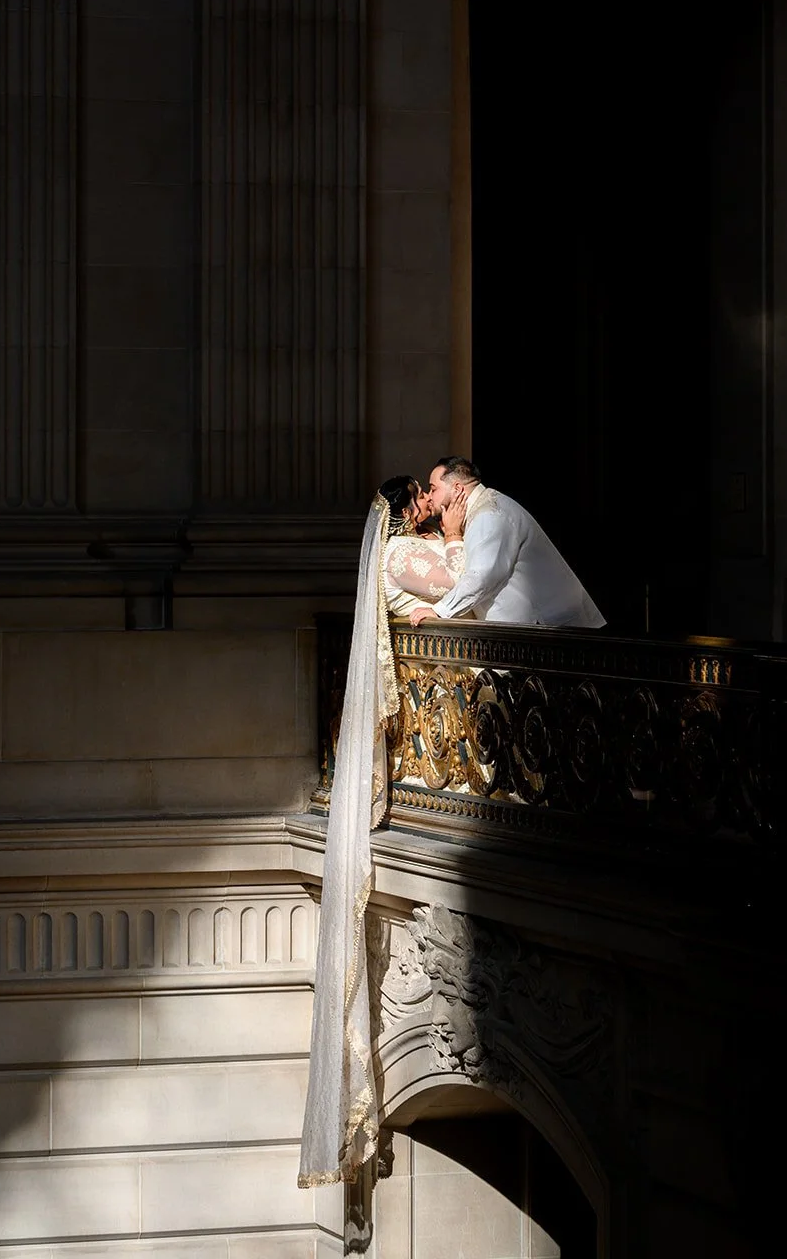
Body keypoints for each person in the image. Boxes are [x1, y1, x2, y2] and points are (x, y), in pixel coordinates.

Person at [297, 475, 466, 1194]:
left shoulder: (406, 546)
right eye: (427, 501)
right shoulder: (402, 555)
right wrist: (460, 533)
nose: (436, 508)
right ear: (406, 512)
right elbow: (462, 583)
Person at [409, 456, 605, 630]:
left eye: (433, 489)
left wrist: (440, 611)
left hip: (552, 627)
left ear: (458, 489)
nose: (429, 496)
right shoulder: (481, 509)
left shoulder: (490, 514)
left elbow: (482, 575)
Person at [378, 473, 468, 618]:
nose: (428, 497)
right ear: (406, 513)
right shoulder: (399, 553)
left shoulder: (429, 530)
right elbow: (456, 586)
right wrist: (453, 532)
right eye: (420, 497)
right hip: (438, 637)